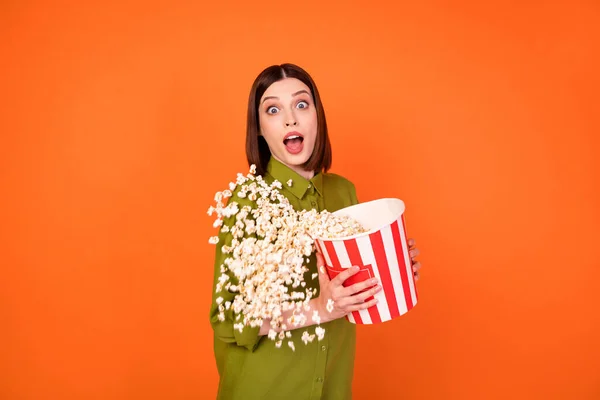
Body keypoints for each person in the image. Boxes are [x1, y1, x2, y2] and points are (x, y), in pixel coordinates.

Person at [209, 63, 422, 400]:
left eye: (302, 104)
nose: (291, 119)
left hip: (333, 388)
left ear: (317, 117)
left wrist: (391, 269)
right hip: (265, 389)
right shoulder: (248, 204)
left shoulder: (343, 194)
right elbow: (228, 320)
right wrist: (321, 308)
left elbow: (355, 291)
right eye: (274, 109)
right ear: (261, 130)